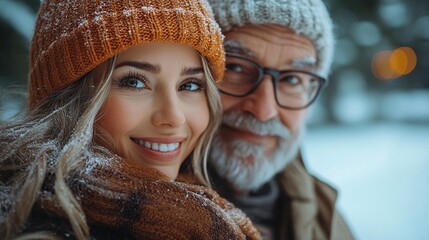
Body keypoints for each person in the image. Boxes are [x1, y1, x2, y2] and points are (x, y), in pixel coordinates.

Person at [0, 0, 261, 239]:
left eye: (191, 85)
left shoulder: (204, 214)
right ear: (69, 99)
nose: (173, 116)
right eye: (134, 82)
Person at [202, 0, 356, 239]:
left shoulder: (328, 222)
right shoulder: (135, 216)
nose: (264, 110)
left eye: (292, 79)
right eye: (235, 67)